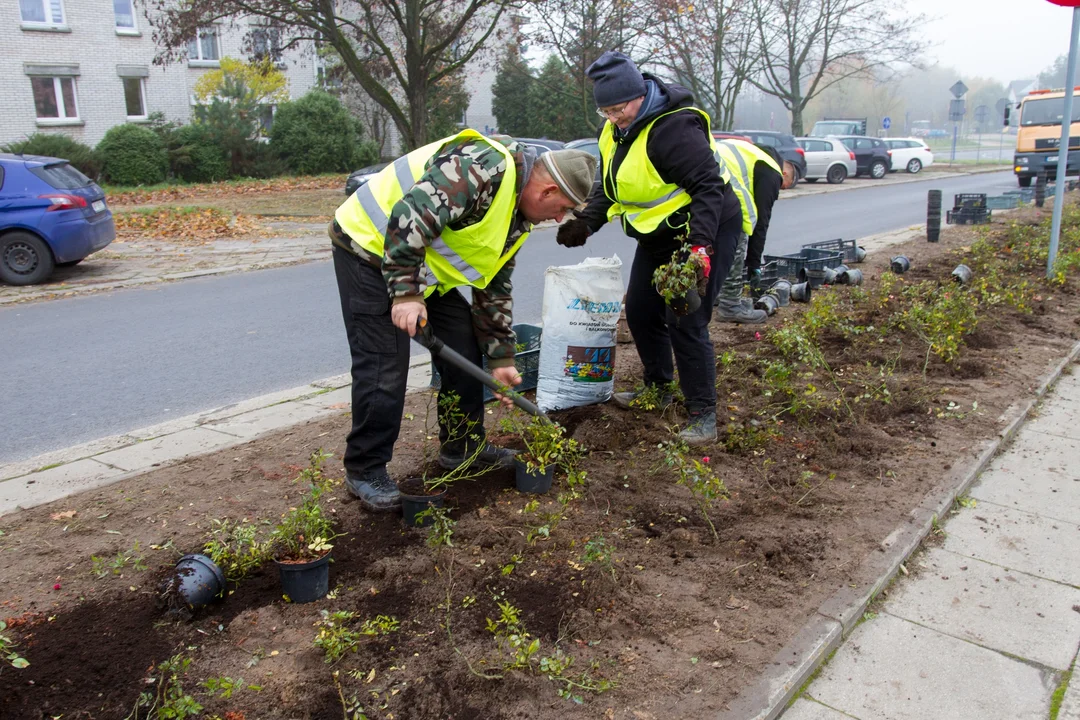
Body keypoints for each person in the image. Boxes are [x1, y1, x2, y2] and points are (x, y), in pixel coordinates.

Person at [331, 131, 597, 511]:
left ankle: (462, 447)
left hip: (421, 264)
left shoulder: (516, 215)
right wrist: (406, 293)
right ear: (547, 190)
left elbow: (493, 284)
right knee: (383, 365)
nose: (558, 219)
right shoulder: (482, 166)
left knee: (464, 349)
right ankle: (365, 469)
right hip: (368, 248)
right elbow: (410, 216)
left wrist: (502, 358)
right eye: (561, 209)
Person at [556, 50, 743, 445]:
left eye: (618, 109)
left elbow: (708, 188)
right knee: (641, 311)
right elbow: (610, 187)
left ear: (639, 96)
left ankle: (702, 412)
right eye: (605, 112)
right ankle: (658, 387)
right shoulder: (614, 132)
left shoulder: (672, 130)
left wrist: (699, 250)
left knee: (686, 320)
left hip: (703, 231)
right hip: (658, 236)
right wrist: (587, 222)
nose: (612, 118)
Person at [712, 139, 800, 323]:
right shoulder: (771, 172)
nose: (779, 190)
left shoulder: (757, 155)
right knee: (739, 231)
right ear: (783, 173)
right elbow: (760, 222)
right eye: (782, 186)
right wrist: (754, 264)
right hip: (720, 173)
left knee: (712, 239)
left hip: (709, 167)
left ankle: (714, 294)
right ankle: (730, 305)